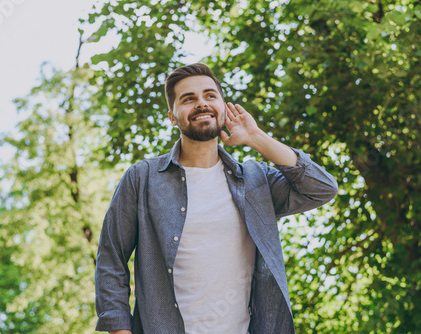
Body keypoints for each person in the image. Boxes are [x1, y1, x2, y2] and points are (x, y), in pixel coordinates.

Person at [95, 63, 338, 334]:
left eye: (210, 96)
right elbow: (111, 258)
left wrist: (256, 138)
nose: (201, 104)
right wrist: (120, 330)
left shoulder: (255, 180)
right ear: (172, 117)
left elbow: (321, 188)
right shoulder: (143, 178)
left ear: (223, 108)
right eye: (188, 99)